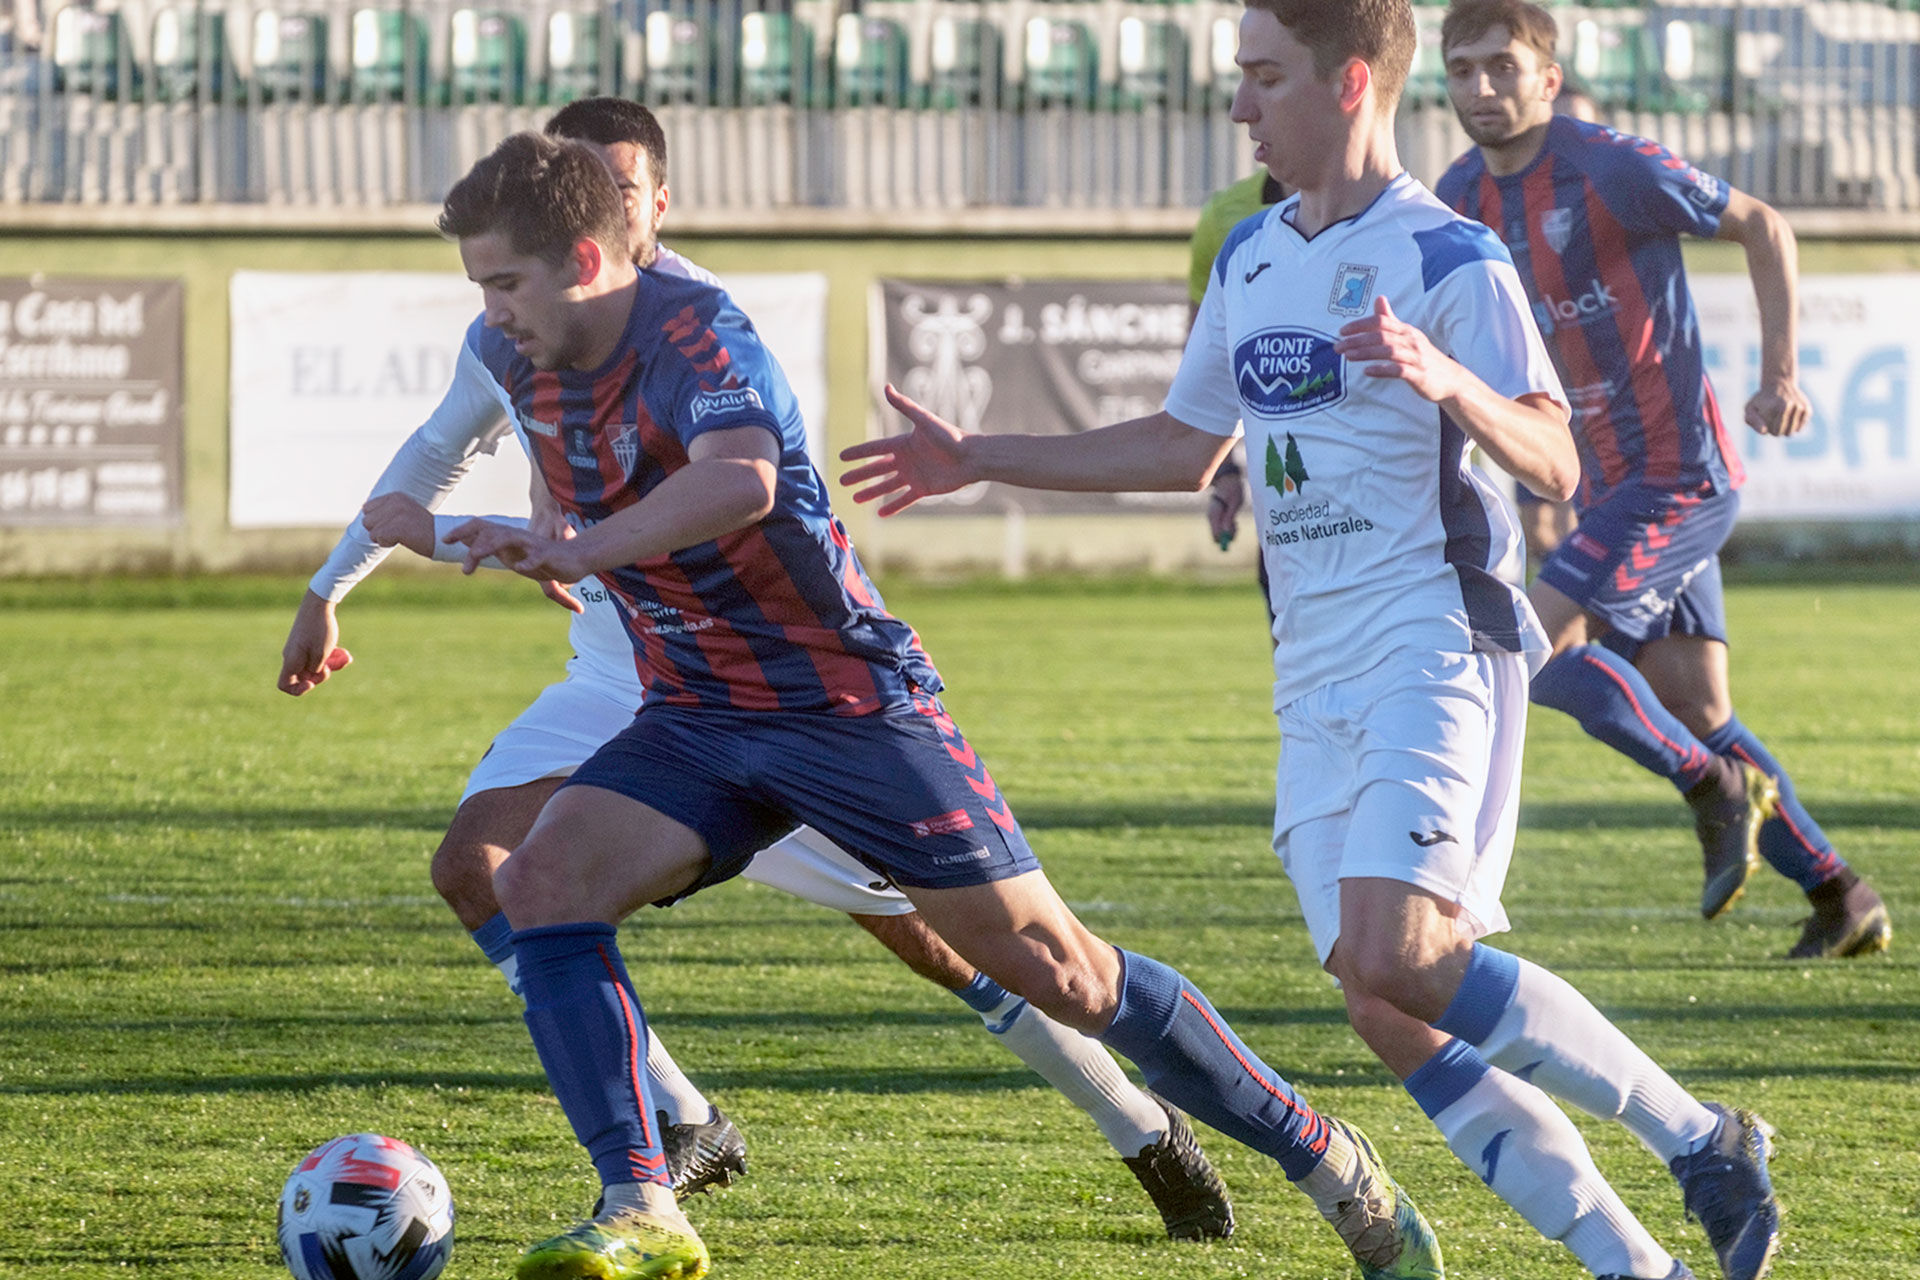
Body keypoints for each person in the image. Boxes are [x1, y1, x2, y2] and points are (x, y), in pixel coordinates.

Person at [842, 3, 1781, 1279]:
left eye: (1262, 78)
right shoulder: (1249, 255)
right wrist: (979, 456)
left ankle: (1698, 1137)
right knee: (1381, 999)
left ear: (1349, 84)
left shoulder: (1449, 257)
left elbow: (1558, 450)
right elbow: (1186, 444)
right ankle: (1642, 1267)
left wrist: (1450, 383)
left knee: (1405, 953)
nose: (1239, 106)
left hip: (1433, 631)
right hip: (1311, 657)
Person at [430, 129, 1445, 1280]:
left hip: (846, 706)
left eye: (505, 281)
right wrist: (543, 535)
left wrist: (593, 541)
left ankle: (1329, 1158)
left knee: (1065, 972)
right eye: (479, 284)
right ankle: (643, 1202)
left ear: (583, 258)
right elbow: (570, 476)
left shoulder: (694, 330)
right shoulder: (511, 349)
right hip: (695, 706)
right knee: (544, 881)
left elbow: (741, 478)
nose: (490, 309)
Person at [277, 97, 1238, 1240]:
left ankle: (1137, 1121)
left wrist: (568, 535)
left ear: (652, 207)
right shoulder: (522, 323)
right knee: (479, 864)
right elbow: (431, 453)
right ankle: (683, 1124)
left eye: (622, 188)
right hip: (615, 675)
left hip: (759, 683)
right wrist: (329, 586)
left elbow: (743, 486)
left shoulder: (694, 334)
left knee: (938, 933)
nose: (600, 207)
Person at [1434, 0, 1892, 961]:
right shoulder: (1458, 196)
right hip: (1600, 484)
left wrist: (1780, 375)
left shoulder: (1611, 166)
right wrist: (1537, 489)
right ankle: (1842, 892)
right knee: (1698, 705)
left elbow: (1764, 226)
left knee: (1536, 649)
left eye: (1503, 67)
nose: (1483, 87)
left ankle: (1710, 789)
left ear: (1547, 78)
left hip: (1679, 473)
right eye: (1464, 69)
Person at [1188, 169, 1288, 554]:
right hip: (1285, 504)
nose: (1243, 114)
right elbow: (1205, 365)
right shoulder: (1227, 218)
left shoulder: (1398, 222)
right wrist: (1225, 469)